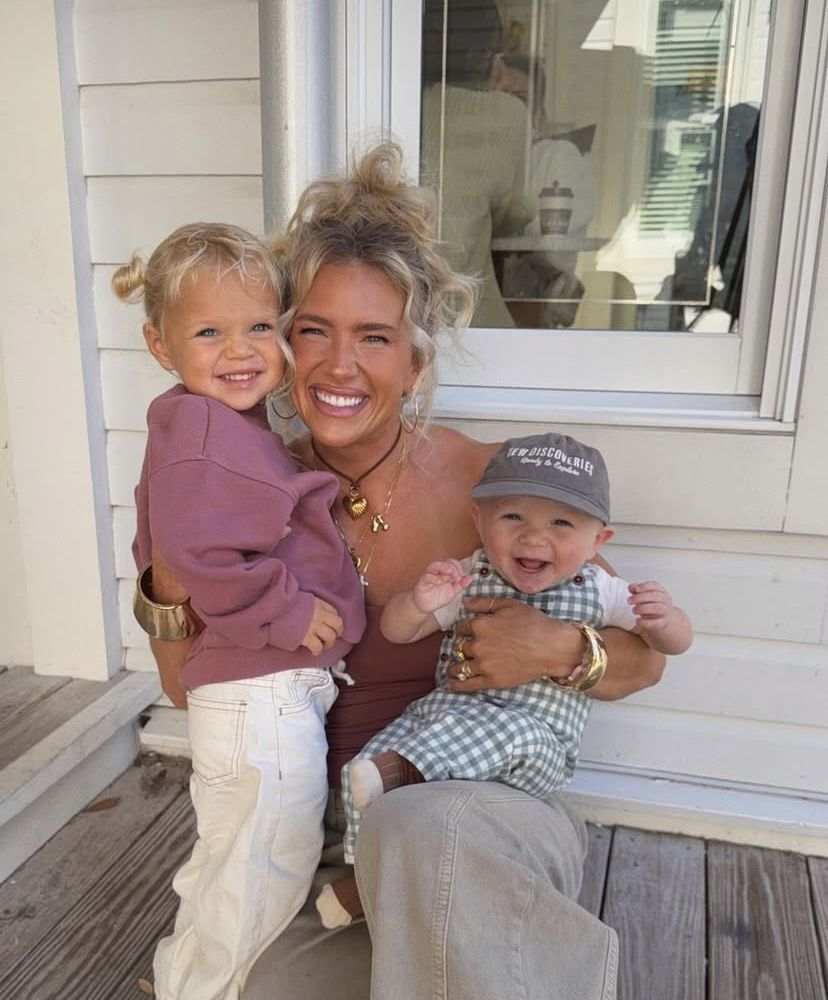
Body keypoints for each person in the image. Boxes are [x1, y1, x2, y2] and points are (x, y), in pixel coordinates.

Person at [136, 145, 666, 1000]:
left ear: (414, 364)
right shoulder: (238, 491)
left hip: (478, 811)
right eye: (313, 330)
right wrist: (172, 547)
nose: (339, 366)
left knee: (425, 832)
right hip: (336, 844)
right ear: (281, 341)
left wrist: (560, 648)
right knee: (267, 988)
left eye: (374, 338)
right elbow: (183, 688)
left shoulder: (489, 487)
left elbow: (643, 662)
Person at [114, 222, 366, 1000]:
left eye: (260, 327)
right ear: (160, 345)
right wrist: (287, 613)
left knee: (232, 862)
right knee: (262, 872)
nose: (240, 350)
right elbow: (197, 556)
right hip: (262, 697)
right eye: (209, 333)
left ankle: (179, 979)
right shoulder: (202, 430)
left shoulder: (219, 425)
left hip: (258, 696)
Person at [316, 431, 692, 927]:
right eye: (513, 517)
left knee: (500, 740)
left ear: (598, 541)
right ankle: (366, 875)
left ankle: (398, 807)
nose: (534, 538)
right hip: (446, 720)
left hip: (535, 743)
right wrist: (420, 603)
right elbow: (398, 631)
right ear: (480, 521)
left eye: (561, 523)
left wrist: (664, 620)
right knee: (370, 763)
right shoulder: (469, 575)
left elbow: (665, 651)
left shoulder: (602, 590)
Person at [420, 0, 535, 328]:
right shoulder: (506, 115)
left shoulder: (391, 102)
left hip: (400, 322)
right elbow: (515, 215)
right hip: (468, 322)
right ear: (487, 55)